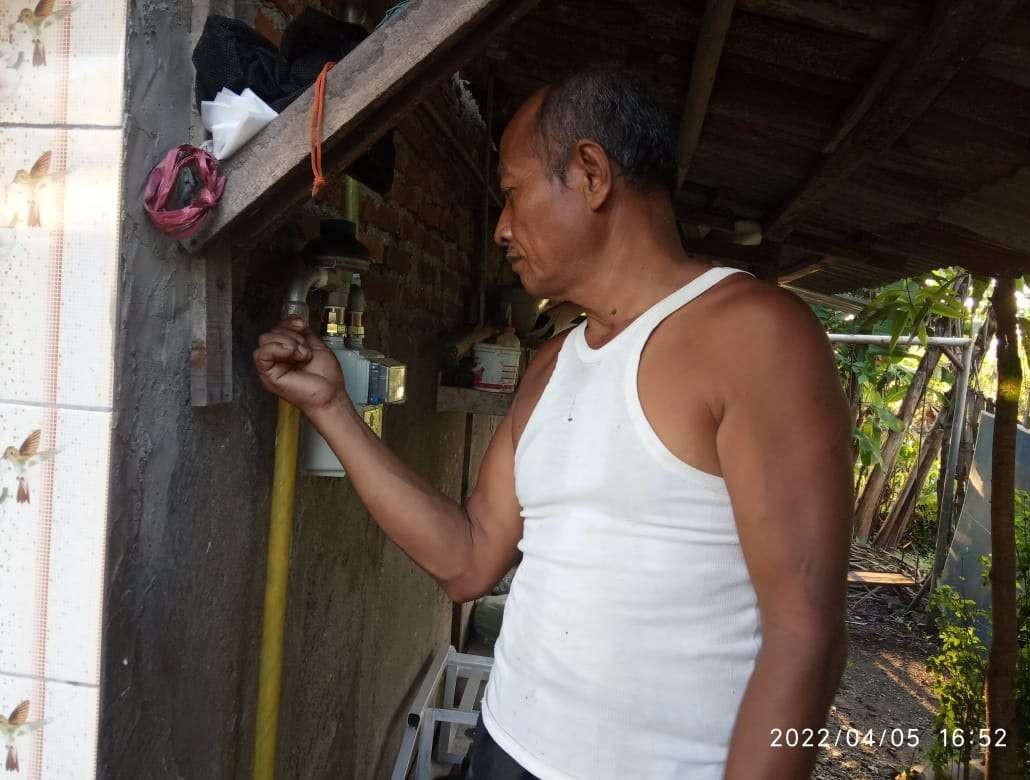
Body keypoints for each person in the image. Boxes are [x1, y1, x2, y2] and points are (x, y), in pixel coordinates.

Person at [254, 65, 853, 779]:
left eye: (512, 193)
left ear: (591, 173)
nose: (502, 228)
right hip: (503, 749)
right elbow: (469, 559)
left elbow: (804, 636)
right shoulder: (549, 364)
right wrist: (331, 407)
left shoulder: (754, 336)